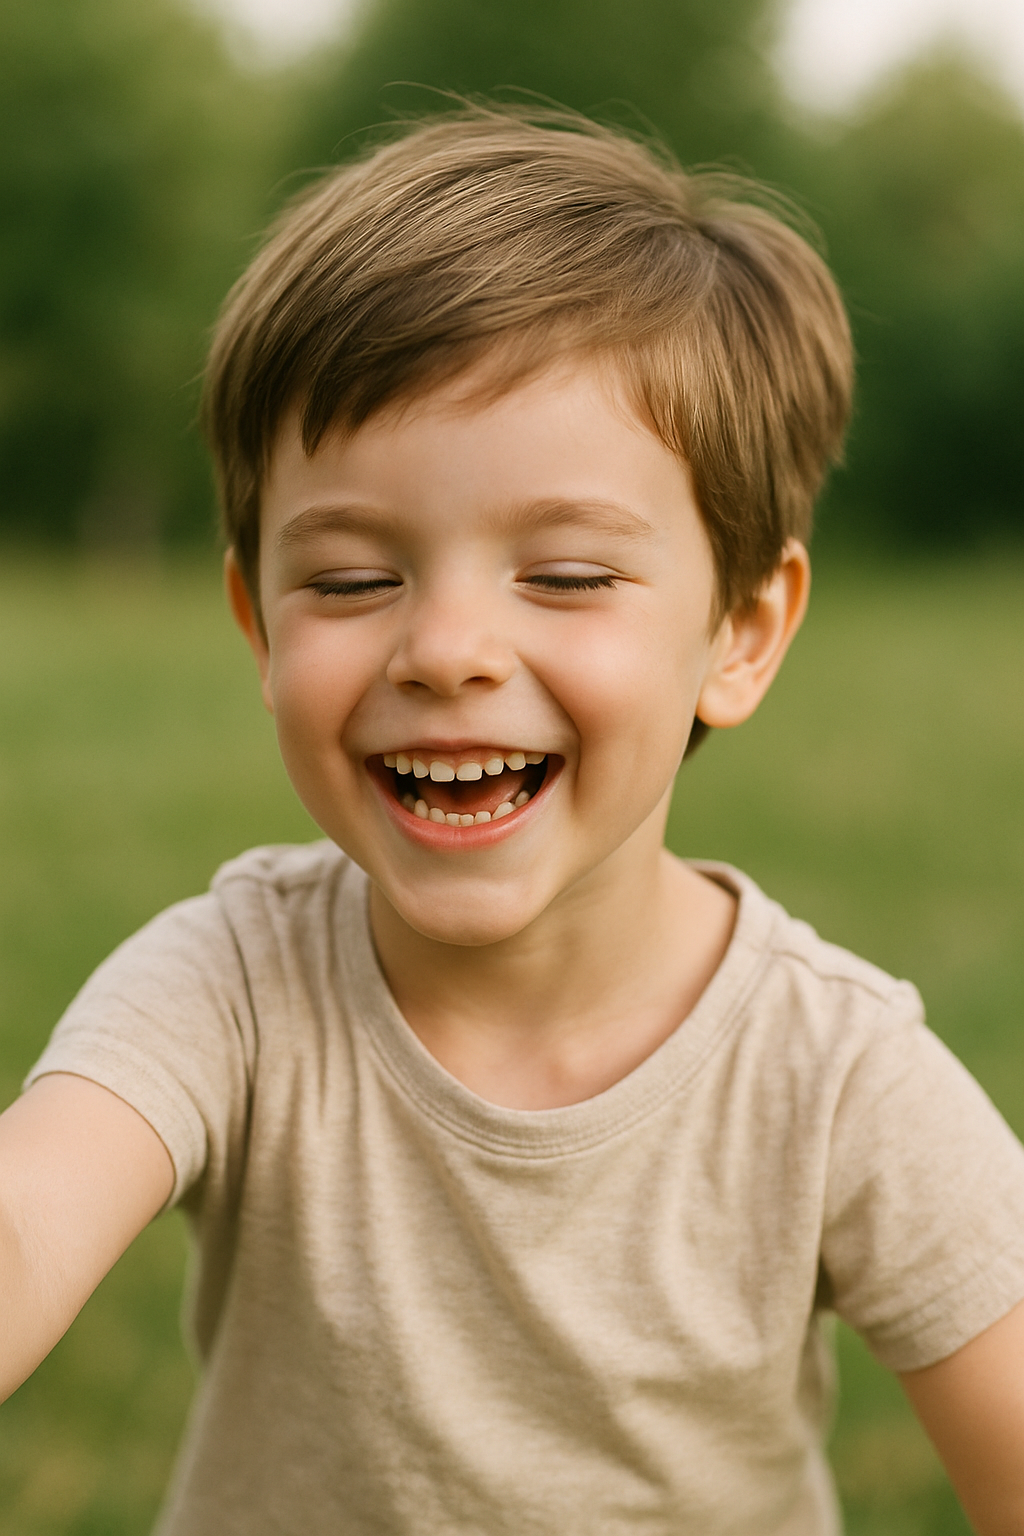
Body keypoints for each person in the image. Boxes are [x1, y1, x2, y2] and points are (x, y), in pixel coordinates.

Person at [2, 106, 1023, 1535]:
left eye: (565, 575)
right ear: (257, 621)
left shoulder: (836, 1077)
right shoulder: (230, 984)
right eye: (354, 580)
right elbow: (29, 1219)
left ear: (740, 629)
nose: (447, 649)